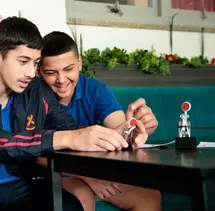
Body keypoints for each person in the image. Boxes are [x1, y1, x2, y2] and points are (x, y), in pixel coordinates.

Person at [0, 17, 148, 211]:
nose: (31, 73)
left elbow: (72, 129)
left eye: (35, 63)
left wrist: (122, 133)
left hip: (23, 183)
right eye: (23, 62)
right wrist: (67, 138)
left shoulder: (36, 90)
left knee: (71, 207)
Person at [37, 31, 161, 211]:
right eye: (51, 72)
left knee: (149, 197)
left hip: (93, 170)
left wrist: (135, 128)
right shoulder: (33, 96)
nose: (62, 80)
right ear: (39, 71)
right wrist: (89, 178)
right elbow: (35, 156)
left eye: (69, 69)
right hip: (55, 173)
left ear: (79, 62)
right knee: (81, 194)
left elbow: (119, 128)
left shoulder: (94, 89)